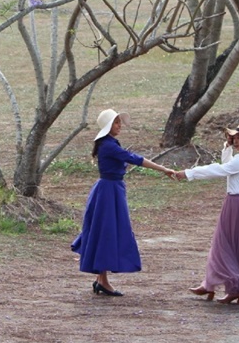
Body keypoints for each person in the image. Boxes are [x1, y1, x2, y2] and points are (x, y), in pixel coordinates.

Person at [71, 108, 175, 296]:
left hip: (111, 191)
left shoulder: (108, 143)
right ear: (108, 126)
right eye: (116, 123)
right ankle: (103, 280)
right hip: (108, 192)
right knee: (107, 232)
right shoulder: (108, 145)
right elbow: (134, 159)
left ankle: (101, 279)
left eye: (119, 122)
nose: (119, 126)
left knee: (107, 231)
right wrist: (164, 169)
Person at [174, 122, 239, 304]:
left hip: (236, 205)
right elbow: (226, 166)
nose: (236, 141)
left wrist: (188, 173)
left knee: (223, 244)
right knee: (236, 246)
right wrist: (227, 148)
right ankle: (218, 286)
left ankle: (220, 286)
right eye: (234, 137)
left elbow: (219, 170)